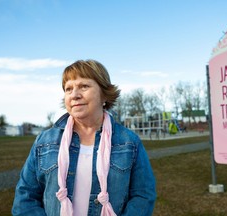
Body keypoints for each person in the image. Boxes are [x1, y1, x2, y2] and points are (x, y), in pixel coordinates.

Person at [12, 59, 156, 216]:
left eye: (84, 86)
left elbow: (143, 196)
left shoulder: (129, 142)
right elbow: (25, 198)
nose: (74, 95)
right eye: (68, 89)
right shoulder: (45, 142)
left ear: (104, 94)